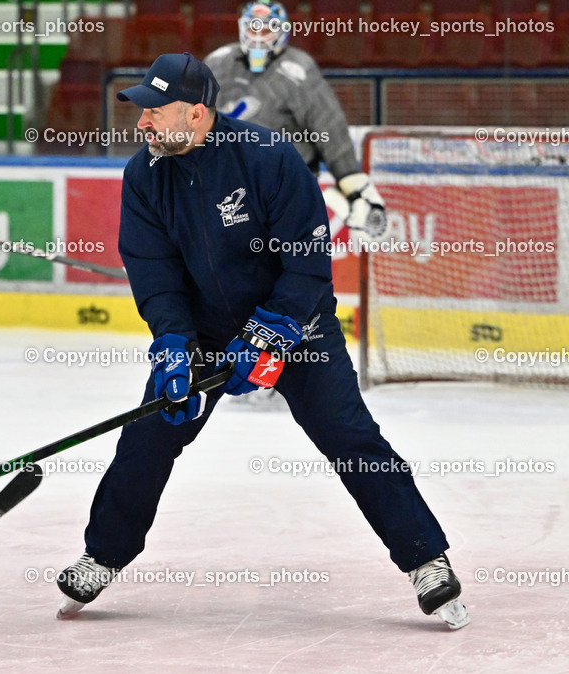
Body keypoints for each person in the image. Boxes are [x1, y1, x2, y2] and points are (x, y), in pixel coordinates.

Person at [54, 54, 469, 630]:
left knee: (348, 436)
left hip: (297, 324)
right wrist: (173, 343)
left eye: (154, 110)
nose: (141, 123)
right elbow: (154, 273)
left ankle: (426, 558)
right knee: (150, 433)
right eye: (140, 110)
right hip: (204, 331)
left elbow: (307, 261)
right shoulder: (144, 176)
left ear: (197, 113)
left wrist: (271, 331)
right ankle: (102, 554)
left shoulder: (268, 158)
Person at [204, 0, 387, 240]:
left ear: (282, 30)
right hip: (224, 184)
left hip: (284, 185)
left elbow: (327, 124)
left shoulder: (297, 69)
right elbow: (191, 117)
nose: (259, 36)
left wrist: (349, 180)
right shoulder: (218, 63)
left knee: (283, 264)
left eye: (267, 28)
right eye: (253, 27)